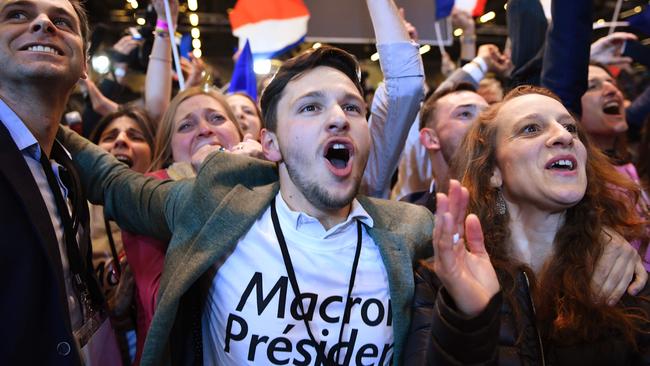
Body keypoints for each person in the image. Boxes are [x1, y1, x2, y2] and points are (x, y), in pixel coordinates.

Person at [405, 86, 650, 365]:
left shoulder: (619, 272)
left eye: (570, 127)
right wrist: (468, 322)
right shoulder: (445, 276)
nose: (564, 136)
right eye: (531, 129)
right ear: (493, 172)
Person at [0, 0, 118, 364]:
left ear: (84, 65)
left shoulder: (65, 167)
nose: (42, 24)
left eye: (62, 20)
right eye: (16, 14)